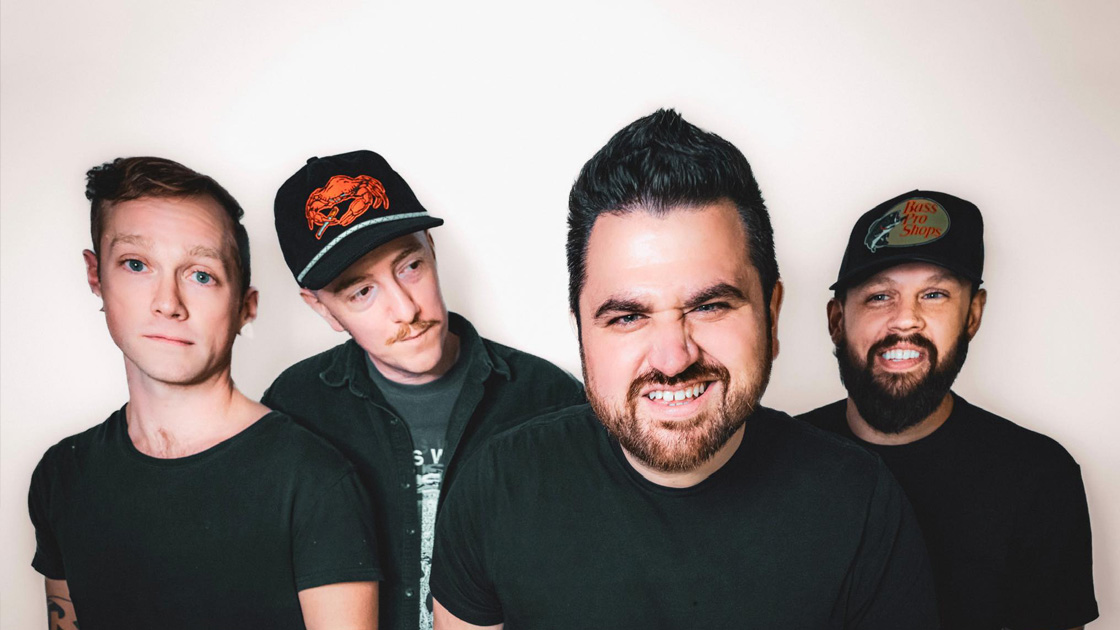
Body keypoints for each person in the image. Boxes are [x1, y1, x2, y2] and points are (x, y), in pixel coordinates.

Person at [429, 110, 938, 629]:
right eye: (627, 317)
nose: (673, 359)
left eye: (710, 306)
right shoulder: (495, 490)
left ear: (771, 314)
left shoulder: (861, 504)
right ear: (581, 331)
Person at [28, 157, 380, 630]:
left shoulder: (314, 481)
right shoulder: (62, 475)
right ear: (96, 276)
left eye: (201, 275)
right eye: (136, 264)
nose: (168, 303)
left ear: (244, 307)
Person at [264, 150, 586, 630]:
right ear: (323, 309)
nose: (406, 309)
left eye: (410, 266)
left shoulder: (548, 400)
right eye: (361, 292)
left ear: (432, 249)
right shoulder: (294, 410)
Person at [799, 190, 1098, 630]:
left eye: (934, 294)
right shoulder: (774, 459)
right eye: (879, 296)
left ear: (972, 315)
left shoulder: (1040, 478)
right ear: (837, 320)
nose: (906, 319)